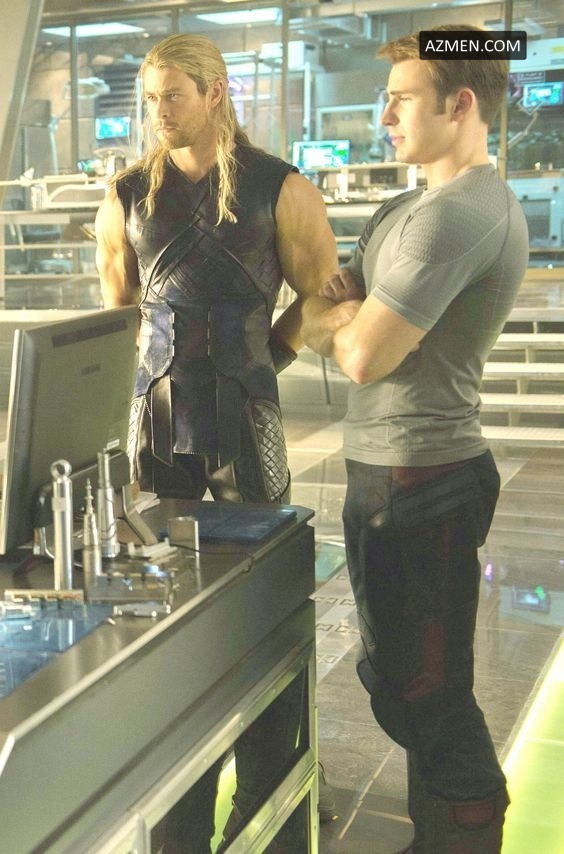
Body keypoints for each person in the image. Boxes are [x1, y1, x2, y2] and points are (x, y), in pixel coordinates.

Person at [95, 32, 338, 853]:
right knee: (163, 618)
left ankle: (274, 796)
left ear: (215, 92)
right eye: (150, 98)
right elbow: (119, 316)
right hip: (157, 429)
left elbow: (321, 296)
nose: (158, 111)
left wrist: (262, 361)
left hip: (247, 422)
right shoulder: (128, 194)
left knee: (264, 612)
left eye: (172, 94)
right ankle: (177, 815)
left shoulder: (280, 187)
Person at [301, 24, 529, 854]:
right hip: (387, 472)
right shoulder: (406, 208)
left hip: (423, 478)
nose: (384, 115)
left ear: (460, 104)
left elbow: (361, 354)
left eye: (401, 98)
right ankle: (436, 834)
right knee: (396, 677)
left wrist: (344, 314)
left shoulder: (459, 217)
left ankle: (468, 829)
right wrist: (346, 310)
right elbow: (328, 311)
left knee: (427, 689)